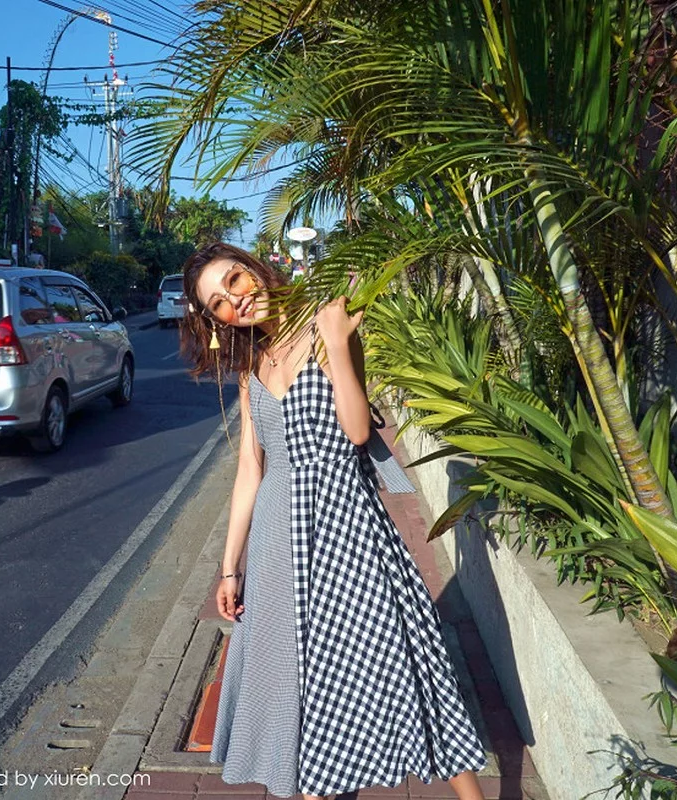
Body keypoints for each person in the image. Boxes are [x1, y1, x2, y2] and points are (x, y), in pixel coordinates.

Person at [179, 242, 488, 800]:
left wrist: (341, 343)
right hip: (277, 542)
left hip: (346, 527)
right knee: (301, 679)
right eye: (218, 303)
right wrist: (229, 568)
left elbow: (357, 431)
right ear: (215, 321)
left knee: (400, 661)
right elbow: (250, 468)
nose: (235, 300)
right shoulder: (251, 370)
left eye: (235, 280)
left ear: (257, 269)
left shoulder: (326, 329)